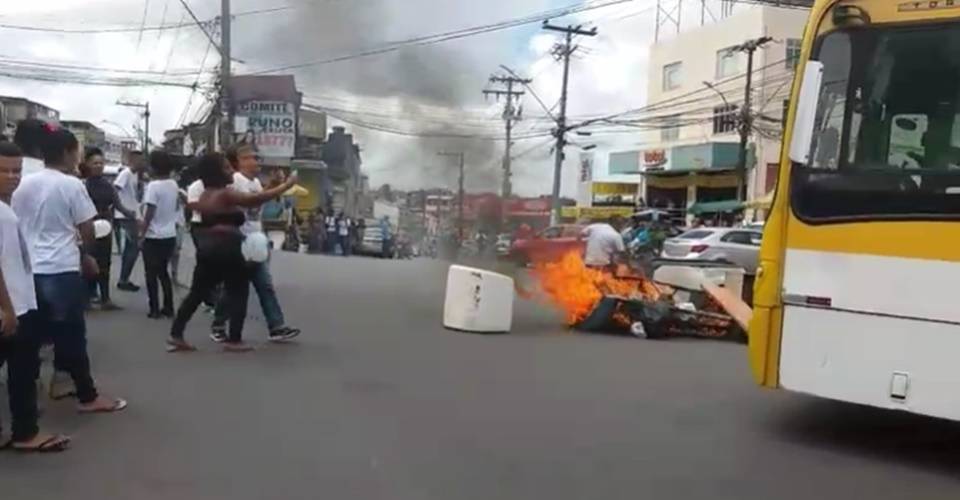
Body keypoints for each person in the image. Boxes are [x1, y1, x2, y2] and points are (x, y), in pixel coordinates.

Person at [12, 125, 126, 412]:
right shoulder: (71, 184)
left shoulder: (22, 183)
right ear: (66, 153)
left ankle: (35, 394)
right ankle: (87, 395)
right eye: (77, 151)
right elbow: (87, 227)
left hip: (28, 270)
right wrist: (86, 255)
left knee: (30, 337)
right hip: (60, 268)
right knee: (71, 334)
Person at [168, 152, 296, 352]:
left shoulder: (206, 194)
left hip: (208, 249)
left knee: (197, 293)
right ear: (217, 172)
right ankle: (234, 339)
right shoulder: (226, 193)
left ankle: (176, 334)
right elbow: (255, 199)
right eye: (227, 168)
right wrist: (286, 186)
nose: (232, 171)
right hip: (228, 248)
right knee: (238, 292)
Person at [0, 141, 71, 452]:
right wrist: (8, 309)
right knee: (24, 372)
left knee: (22, 369)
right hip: (14, 306)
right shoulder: (2, 214)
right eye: (4, 170)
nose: (12, 176)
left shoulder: (7, 209)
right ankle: (26, 433)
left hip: (18, 301)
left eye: (16, 170)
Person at [211, 145, 300, 343]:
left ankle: (276, 326)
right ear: (241, 161)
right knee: (234, 287)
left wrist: (272, 185)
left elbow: (260, 200)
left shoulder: (256, 182)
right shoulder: (236, 180)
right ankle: (218, 323)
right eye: (252, 158)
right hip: (238, 240)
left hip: (255, 240)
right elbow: (252, 201)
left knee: (264, 285)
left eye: (257, 158)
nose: (257, 162)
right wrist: (285, 186)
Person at [81, 147, 135, 311]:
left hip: (106, 227)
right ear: (88, 164)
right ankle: (88, 297)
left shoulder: (107, 185)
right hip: (88, 227)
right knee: (89, 262)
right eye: (95, 163)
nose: (98, 166)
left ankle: (105, 299)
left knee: (105, 263)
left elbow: (117, 204)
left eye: (101, 163)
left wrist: (131, 215)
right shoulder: (83, 185)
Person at [140, 151, 180, 319]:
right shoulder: (173, 184)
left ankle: (154, 308)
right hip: (169, 234)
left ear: (153, 167)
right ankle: (169, 307)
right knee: (163, 272)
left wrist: (142, 232)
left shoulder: (153, 186)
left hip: (153, 236)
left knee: (151, 274)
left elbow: (150, 211)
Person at [114, 150, 146, 291]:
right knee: (133, 248)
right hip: (126, 216)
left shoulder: (135, 175)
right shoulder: (126, 173)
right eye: (139, 160)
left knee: (131, 248)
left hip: (132, 215)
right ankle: (123, 279)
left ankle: (124, 278)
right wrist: (122, 209)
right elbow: (115, 189)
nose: (141, 163)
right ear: (132, 160)